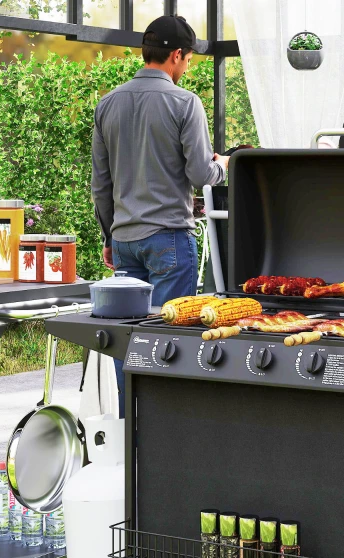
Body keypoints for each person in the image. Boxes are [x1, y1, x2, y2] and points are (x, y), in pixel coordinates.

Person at [91, 14, 229, 414]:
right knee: (170, 342)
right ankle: (166, 432)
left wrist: (109, 238)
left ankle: (129, 426)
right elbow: (201, 174)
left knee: (128, 340)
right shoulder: (185, 102)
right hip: (169, 238)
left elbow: (101, 184)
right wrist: (225, 166)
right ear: (176, 55)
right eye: (188, 60)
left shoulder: (108, 103)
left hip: (125, 241)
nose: (187, 67)